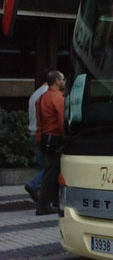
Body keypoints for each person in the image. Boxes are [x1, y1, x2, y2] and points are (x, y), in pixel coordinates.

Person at [35, 70, 66, 215]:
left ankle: (52, 202)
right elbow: (61, 121)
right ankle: (44, 205)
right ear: (57, 81)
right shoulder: (58, 98)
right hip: (55, 138)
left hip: (43, 137)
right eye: (63, 79)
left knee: (50, 170)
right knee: (51, 173)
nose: (64, 82)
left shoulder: (41, 97)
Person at [24, 71, 50, 204]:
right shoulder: (47, 93)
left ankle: (44, 197)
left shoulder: (35, 94)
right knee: (49, 167)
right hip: (43, 134)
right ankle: (34, 185)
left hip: (33, 133)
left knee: (43, 166)